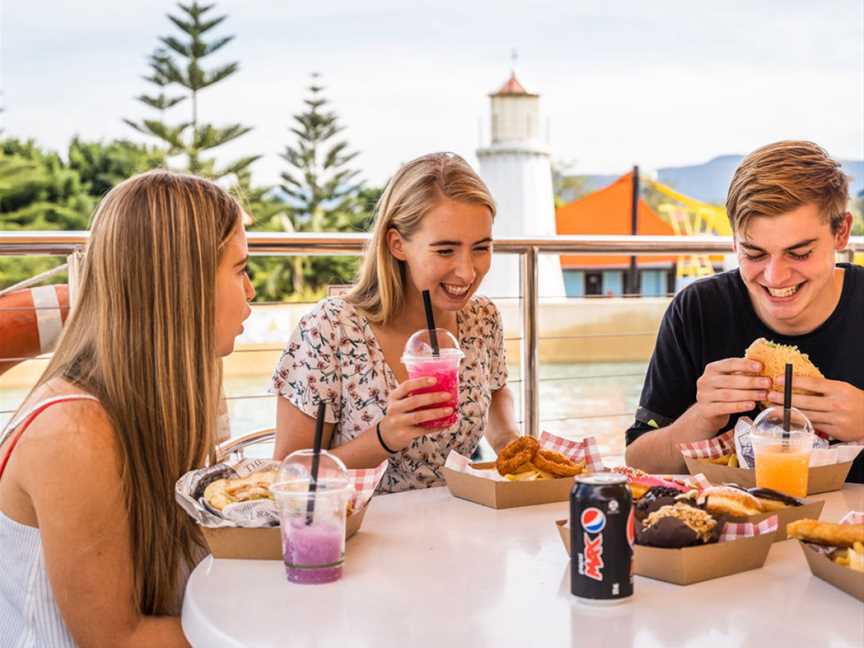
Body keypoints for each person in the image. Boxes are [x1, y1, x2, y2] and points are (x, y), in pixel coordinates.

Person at [0, 170, 255, 647]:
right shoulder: (72, 432)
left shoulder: (153, 403)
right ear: (185, 284)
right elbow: (118, 641)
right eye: (240, 270)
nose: (252, 292)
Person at [270, 152, 521, 493]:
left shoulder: (482, 319)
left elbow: (495, 393)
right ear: (397, 244)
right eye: (445, 251)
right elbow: (288, 473)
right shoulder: (329, 329)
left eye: (481, 248)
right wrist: (385, 437)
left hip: (460, 525)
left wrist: (511, 442)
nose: (467, 271)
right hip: (357, 533)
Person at [625, 141, 864, 482]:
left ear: (841, 232)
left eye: (799, 253)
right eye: (755, 254)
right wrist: (703, 417)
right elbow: (638, 463)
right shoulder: (698, 309)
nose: (775, 276)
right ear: (735, 242)